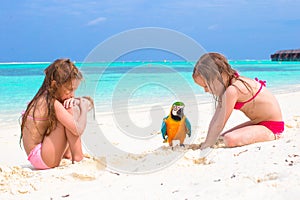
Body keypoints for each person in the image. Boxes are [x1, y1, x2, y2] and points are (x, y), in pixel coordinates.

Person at [192, 52, 284, 149]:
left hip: (272, 126)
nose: (205, 90)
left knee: (229, 139)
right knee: (220, 138)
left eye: (206, 86)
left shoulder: (234, 89)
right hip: (257, 122)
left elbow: (220, 122)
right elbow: (216, 118)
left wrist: (207, 144)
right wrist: (208, 141)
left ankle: (275, 135)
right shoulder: (228, 86)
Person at [20, 58, 94, 169]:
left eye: (74, 90)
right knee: (70, 109)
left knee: (70, 106)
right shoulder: (52, 103)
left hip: (37, 156)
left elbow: (89, 103)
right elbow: (77, 129)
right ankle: (78, 157)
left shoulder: (43, 97)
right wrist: (82, 107)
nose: (72, 94)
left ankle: (68, 154)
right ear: (55, 85)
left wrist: (83, 102)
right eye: (69, 90)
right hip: (43, 158)